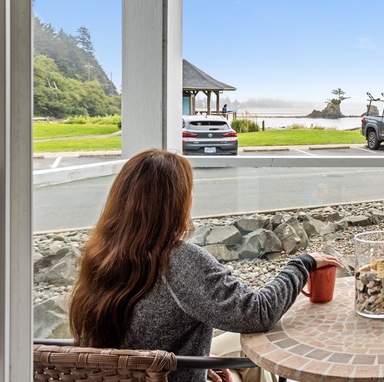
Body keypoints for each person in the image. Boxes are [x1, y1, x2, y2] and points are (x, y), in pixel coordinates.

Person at [69, 149, 343, 382]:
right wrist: (301, 264)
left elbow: (135, 340)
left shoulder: (100, 254)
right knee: (261, 350)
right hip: (170, 374)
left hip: (144, 371)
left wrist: (198, 363)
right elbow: (257, 312)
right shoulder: (177, 260)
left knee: (239, 347)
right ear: (175, 204)